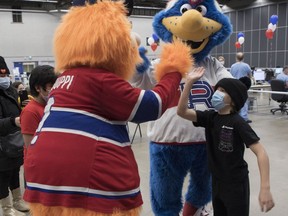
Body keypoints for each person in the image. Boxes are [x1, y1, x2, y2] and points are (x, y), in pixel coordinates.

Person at [177, 68, 275, 216]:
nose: (217, 93)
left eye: (223, 90)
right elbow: (182, 111)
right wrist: (189, 82)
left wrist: (265, 187)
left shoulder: (238, 122)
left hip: (236, 184)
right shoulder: (211, 117)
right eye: (217, 89)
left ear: (234, 99)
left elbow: (260, 152)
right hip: (216, 181)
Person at [0, 56, 29, 216]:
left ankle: (17, 200)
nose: (3, 78)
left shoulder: (10, 90)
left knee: (14, 170)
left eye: (5, 75)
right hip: (2, 143)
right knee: (3, 174)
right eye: (0, 76)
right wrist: (13, 121)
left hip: (14, 140)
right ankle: (6, 207)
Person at [20, 65, 57, 150]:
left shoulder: (50, 106)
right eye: (51, 86)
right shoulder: (30, 111)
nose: (55, 89)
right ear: (38, 88)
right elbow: (31, 147)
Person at [230, 52, 252, 123]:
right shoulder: (246, 66)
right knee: (244, 101)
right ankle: (244, 118)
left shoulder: (233, 66)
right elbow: (250, 75)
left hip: (234, 85)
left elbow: (230, 75)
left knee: (234, 100)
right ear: (243, 58)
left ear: (236, 58)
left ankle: (235, 116)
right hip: (243, 85)